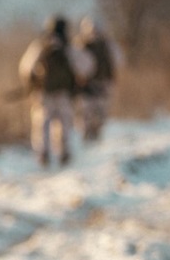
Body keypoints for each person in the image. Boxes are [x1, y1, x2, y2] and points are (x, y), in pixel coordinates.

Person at [18, 15, 93, 167]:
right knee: (64, 124)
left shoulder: (40, 45)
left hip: (43, 94)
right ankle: (63, 152)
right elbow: (87, 66)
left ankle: (42, 154)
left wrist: (31, 84)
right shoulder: (69, 48)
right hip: (64, 94)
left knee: (42, 124)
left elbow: (25, 67)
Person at [73, 16, 123, 141]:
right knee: (99, 112)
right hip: (103, 84)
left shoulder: (80, 44)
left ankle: (88, 135)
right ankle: (95, 135)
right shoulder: (108, 44)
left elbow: (74, 64)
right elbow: (120, 60)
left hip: (88, 84)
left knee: (86, 112)